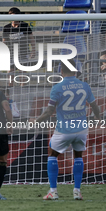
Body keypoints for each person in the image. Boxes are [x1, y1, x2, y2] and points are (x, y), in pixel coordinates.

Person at [34, 59, 101, 200]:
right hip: (81, 129)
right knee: (78, 156)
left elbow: (48, 111)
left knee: (52, 155)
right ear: (76, 70)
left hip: (64, 129)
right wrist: (98, 118)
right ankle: (77, 191)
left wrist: (36, 121)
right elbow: (95, 106)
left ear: (61, 71)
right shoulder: (85, 86)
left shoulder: (57, 87)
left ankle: (53, 191)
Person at [2, 7, 36, 86]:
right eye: (12, 16)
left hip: (23, 52)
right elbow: (4, 42)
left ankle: (23, 94)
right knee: (10, 74)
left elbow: (32, 39)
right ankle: (9, 93)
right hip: (11, 54)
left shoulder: (24, 25)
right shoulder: (6, 28)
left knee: (23, 75)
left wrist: (33, 51)